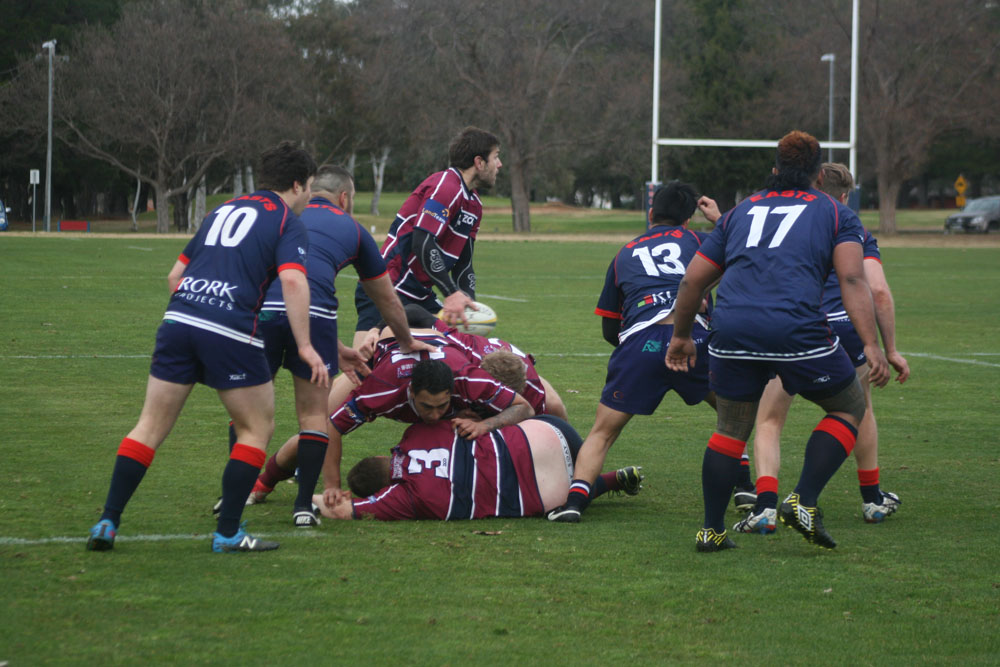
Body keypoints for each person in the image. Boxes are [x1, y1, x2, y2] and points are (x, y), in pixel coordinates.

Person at [86, 141, 327, 553]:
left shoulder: (222, 210)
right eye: (309, 187)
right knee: (256, 428)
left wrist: (198, 310)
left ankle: (108, 521)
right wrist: (305, 346)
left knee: (149, 426)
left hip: (178, 320)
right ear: (297, 184)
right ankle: (228, 533)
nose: (309, 196)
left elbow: (174, 275)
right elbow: (292, 280)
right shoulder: (287, 220)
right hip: (229, 327)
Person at [666, 130, 890, 552]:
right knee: (849, 407)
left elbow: (693, 281)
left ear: (774, 169)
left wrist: (680, 336)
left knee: (730, 429)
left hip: (732, 329)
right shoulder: (836, 212)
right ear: (819, 176)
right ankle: (803, 500)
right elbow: (852, 278)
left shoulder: (741, 211)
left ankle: (711, 532)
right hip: (795, 329)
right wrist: (871, 343)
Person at [249, 164, 434, 527]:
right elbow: (387, 298)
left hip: (258, 313)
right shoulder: (352, 228)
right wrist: (403, 338)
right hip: (317, 315)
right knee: (316, 419)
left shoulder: (281, 218)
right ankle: (294, 501)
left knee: (253, 419)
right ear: (344, 198)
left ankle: (243, 490)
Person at [547, 181, 742, 523]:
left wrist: (641, 355)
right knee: (734, 418)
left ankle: (574, 503)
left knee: (602, 433)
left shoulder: (624, 253)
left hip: (641, 343)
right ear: (688, 219)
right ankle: (746, 490)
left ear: (651, 213)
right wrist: (719, 219)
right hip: (693, 339)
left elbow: (610, 329)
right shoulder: (698, 240)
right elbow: (744, 246)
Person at [735, 163, 910, 535]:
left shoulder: (790, 221)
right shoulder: (851, 225)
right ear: (844, 197)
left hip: (795, 328)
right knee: (858, 409)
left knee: (769, 419)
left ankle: (765, 508)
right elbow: (877, 290)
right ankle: (872, 498)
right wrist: (889, 348)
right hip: (847, 327)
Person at [248, 329, 537, 511]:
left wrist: (484, 425)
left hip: (441, 349)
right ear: (411, 393)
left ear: (454, 393)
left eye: (442, 407)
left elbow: (524, 408)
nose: (434, 415)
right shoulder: (380, 391)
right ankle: (262, 483)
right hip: (376, 367)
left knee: (524, 414)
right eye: (427, 407)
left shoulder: (468, 380)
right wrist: (332, 485)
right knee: (315, 431)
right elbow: (332, 429)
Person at [312, 416, 642, 521]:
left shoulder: (402, 498)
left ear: (383, 488)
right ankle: (611, 479)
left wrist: (312, 500)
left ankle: (607, 482)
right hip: (551, 429)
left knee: (558, 497)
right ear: (382, 456)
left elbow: (342, 511)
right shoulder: (416, 432)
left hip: (551, 488)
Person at [353, 126, 502, 339]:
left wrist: (468, 305)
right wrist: (451, 293)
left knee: (456, 346)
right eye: (495, 157)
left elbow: (464, 264)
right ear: (479, 162)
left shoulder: (474, 204)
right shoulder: (446, 187)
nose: (499, 164)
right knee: (365, 359)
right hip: (388, 287)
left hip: (420, 296)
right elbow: (422, 241)